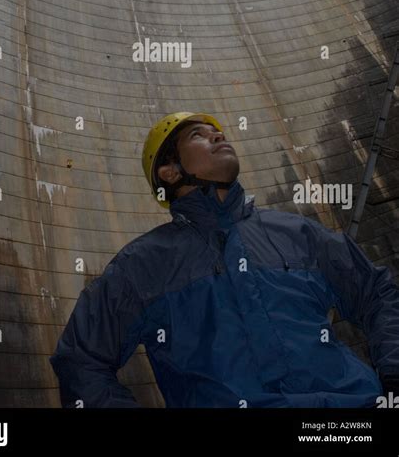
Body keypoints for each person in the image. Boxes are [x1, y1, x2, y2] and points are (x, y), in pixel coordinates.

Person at [49, 111, 399, 407]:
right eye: (198, 136)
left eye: (218, 131)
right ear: (169, 172)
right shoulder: (141, 265)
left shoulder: (297, 233)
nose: (218, 136)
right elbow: (81, 361)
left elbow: (377, 293)